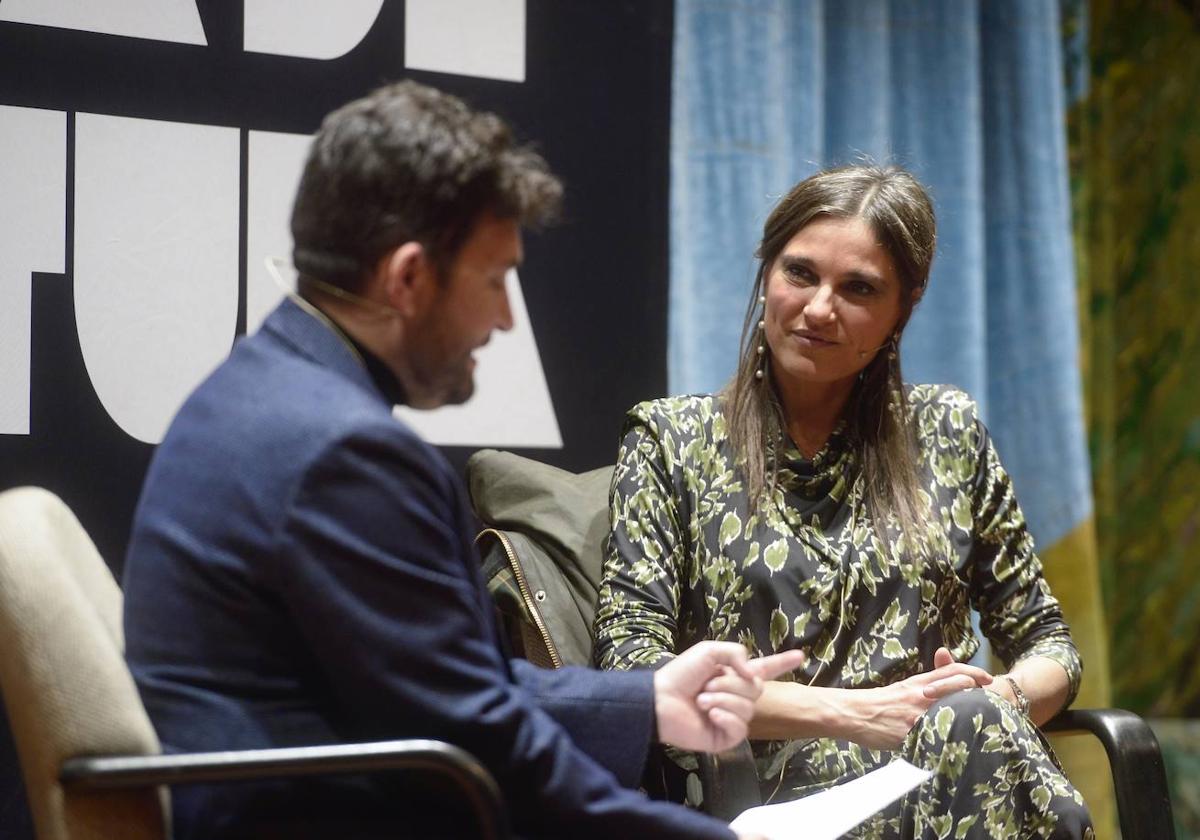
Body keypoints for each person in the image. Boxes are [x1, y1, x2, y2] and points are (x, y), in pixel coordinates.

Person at [121, 80, 802, 840]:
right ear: (408, 278)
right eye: (494, 279)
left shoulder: (257, 391)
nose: (506, 318)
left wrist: (645, 702)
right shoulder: (345, 454)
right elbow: (481, 750)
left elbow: (437, 691)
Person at [594, 165, 1095, 838]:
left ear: (903, 308)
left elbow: (1048, 643)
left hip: (954, 771)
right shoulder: (670, 442)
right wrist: (858, 713)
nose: (820, 307)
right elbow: (636, 675)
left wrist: (993, 696)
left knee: (972, 724)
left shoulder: (949, 432)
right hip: (765, 800)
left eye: (858, 288)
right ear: (766, 273)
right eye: (800, 273)